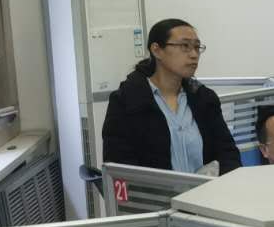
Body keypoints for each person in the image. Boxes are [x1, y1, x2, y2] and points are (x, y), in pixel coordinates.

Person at [102, 18, 240, 175]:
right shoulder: (126, 101)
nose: (194, 54)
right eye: (185, 46)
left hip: (207, 190)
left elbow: (228, 154)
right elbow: (119, 166)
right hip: (153, 191)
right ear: (157, 50)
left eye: (197, 47)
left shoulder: (204, 99)